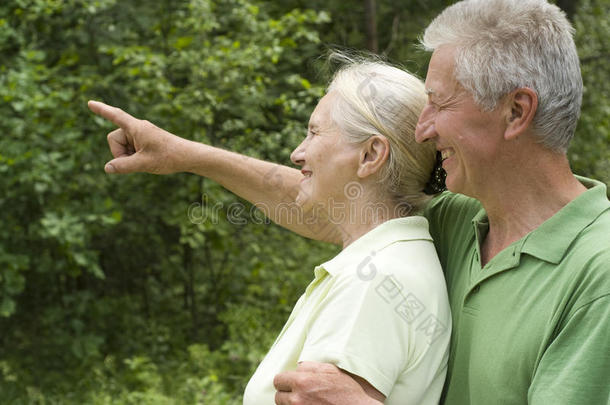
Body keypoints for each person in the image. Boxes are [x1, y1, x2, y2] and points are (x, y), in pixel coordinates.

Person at [272, 0, 610, 404]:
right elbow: (340, 201)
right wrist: (192, 157)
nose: (421, 129)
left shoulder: (598, 274)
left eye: (440, 103)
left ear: (516, 111)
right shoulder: (460, 220)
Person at [88, 59, 452, 404]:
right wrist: (182, 154)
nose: (297, 153)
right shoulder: (393, 258)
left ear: (371, 155)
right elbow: (293, 197)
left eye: (313, 132)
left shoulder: (372, 283)